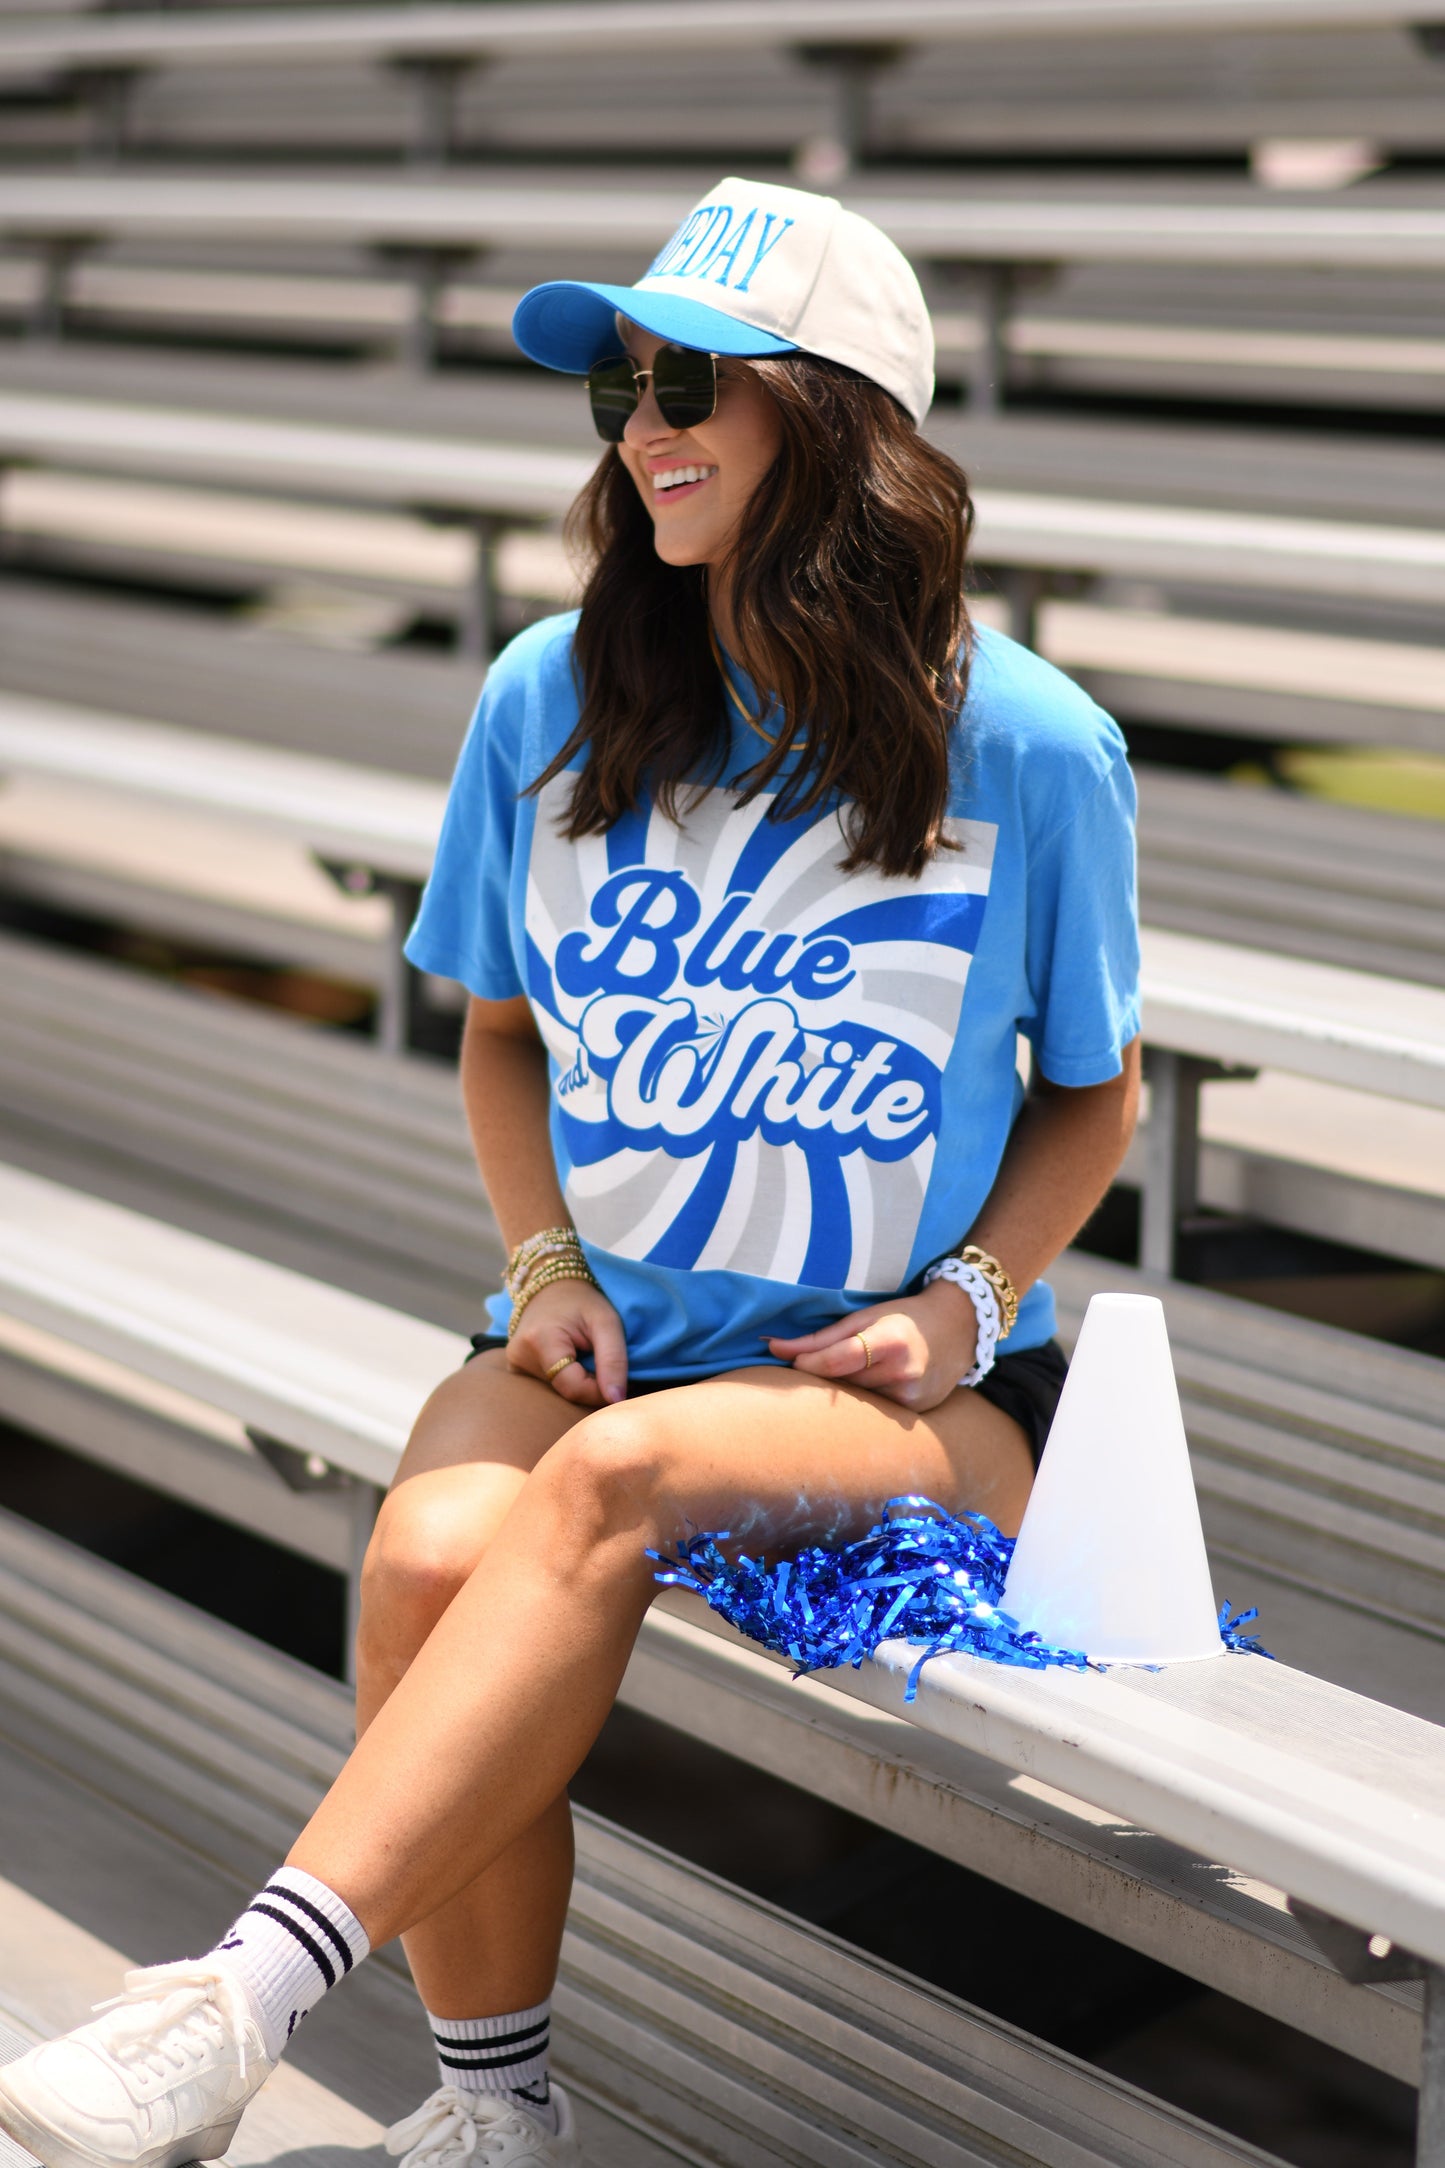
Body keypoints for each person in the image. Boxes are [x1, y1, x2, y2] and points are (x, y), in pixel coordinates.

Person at [0, 177, 1141, 2168]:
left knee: (606, 1485)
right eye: (620, 382)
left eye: (691, 379)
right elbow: (501, 1035)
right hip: (608, 1330)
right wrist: (540, 1270)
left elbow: (1097, 1099)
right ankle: (494, 2111)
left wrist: (963, 1310)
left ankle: (231, 2003)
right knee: (430, 1552)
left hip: (895, 1398)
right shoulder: (553, 691)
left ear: (839, 420)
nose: (639, 421)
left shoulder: (1034, 747)